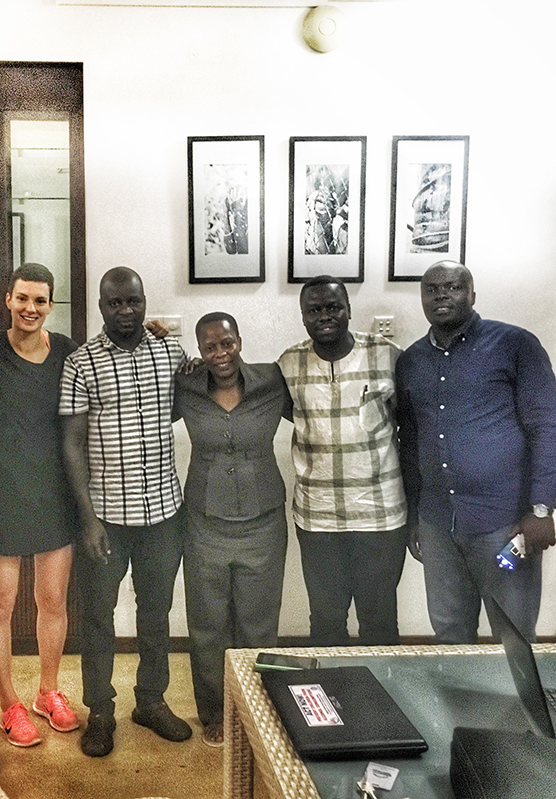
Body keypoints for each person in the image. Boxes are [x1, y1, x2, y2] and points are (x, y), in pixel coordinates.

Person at [60, 266, 192, 758]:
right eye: (115, 303)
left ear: (144, 301)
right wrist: (88, 519)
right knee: (98, 619)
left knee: (155, 614)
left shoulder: (169, 352)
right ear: (101, 307)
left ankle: (151, 701)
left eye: (133, 301)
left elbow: (182, 406)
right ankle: (100, 711)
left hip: (164, 512)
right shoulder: (81, 363)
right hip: (107, 519)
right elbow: (71, 444)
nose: (125, 311)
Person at [396, 260, 556, 643]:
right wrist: (414, 516)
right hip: (438, 526)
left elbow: (547, 428)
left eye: (451, 286)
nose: (441, 295)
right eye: (431, 289)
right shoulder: (411, 361)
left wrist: (541, 508)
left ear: (471, 293)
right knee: (449, 631)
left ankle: (517, 706)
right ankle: (459, 705)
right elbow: (410, 441)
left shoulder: (516, 345)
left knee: (513, 632)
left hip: (504, 529)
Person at [0, 263, 80, 749]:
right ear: (7, 301)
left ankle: (48, 691)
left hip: (55, 491)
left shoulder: (70, 352)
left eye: (40, 300)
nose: (30, 308)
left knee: (52, 600)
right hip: (0, 490)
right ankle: (8, 703)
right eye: (22, 299)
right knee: (1, 603)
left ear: (51, 305)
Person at [174, 312, 292, 747]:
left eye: (226, 344)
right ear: (199, 351)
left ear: (239, 341)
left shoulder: (272, 382)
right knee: (208, 626)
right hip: (204, 524)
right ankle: (216, 712)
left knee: (258, 624)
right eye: (209, 347)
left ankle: (259, 709)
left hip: (263, 522)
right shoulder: (185, 386)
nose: (219, 354)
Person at [278, 275, 408, 647]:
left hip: (379, 517)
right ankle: (331, 701)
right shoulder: (289, 364)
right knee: (326, 620)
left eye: (333, 307)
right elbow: (292, 414)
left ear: (348, 310)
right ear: (303, 317)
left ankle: (379, 704)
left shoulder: (387, 355)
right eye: (314, 310)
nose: (324, 316)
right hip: (318, 519)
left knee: (380, 620)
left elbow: (406, 420)